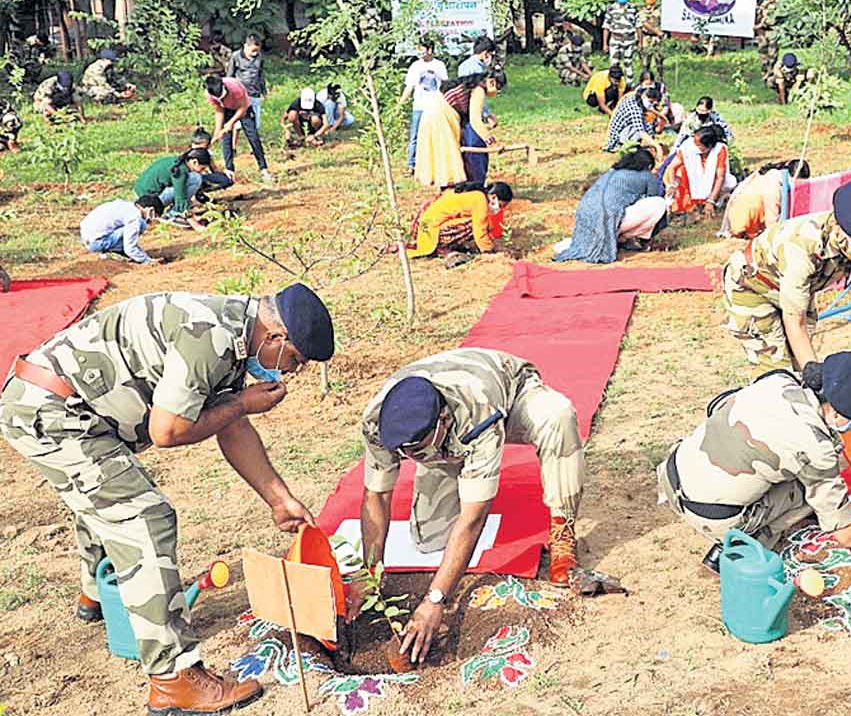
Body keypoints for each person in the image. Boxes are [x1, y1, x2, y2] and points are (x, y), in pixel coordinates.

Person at [0, 284, 334, 712]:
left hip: (64, 405)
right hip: (52, 412)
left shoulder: (234, 330)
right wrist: (241, 405)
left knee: (107, 497)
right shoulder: (211, 337)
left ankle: (98, 595)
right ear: (275, 338)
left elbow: (230, 426)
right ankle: (174, 678)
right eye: (294, 362)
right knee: (144, 517)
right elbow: (168, 431)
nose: (289, 374)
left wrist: (278, 498)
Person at [354, 349, 584, 663]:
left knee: (557, 416)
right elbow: (377, 496)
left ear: (443, 422)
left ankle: (562, 528)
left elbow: (474, 518)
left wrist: (435, 601)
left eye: (416, 450)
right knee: (431, 541)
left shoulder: (480, 414)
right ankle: (454, 463)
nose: (407, 457)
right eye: (403, 451)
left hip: (509, 393)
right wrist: (370, 574)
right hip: (444, 438)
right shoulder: (379, 422)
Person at [658, 355, 851, 573]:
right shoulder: (817, 447)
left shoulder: (779, 380)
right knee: (809, 493)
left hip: (673, 474)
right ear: (835, 412)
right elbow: (848, 536)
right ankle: (743, 547)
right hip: (709, 515)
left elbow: (717, 405)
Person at [721, 176, 851, 396]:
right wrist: (817, 380)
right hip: (752, 287)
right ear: (838, 224)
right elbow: (794, 321)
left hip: (796, 292)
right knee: (778, 374)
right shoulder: (802, 246)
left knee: (801, 371)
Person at [554, 147, 669, 263]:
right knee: (659, 203)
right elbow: (654, 197)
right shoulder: (647, 176)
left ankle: (617, 237)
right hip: (607, 217)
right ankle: (632, 239)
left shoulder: (611, 172)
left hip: (585, 216)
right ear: (649, 166)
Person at [407, 181, 514, 267]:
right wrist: (489, 251)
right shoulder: (480, 200)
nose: (499, 209)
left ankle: (446, 246)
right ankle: (442, 248)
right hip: (431, 228)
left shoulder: (474, 194)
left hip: (425, 225)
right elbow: (479, 230)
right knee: (473, 224)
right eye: (501, 205)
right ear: (494, 197)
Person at [205, 74, 273, 183]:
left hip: (244, 108)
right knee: (226, 139)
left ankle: (263, 169)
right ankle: (229, 170)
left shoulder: (234, 87)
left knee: (253, 137)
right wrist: (218, 131)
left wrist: (231, 123)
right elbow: (219, 111)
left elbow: (243, 107)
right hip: (227, 110)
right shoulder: (210, 94)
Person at [721, 158, 810, 240]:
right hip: (741, 223)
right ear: (793, 178)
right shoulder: (774, 183)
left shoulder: (775, 176)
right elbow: (772, 220)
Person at [444, 70, 506, 184]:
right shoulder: (479, 90)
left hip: (447, 117)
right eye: (498, 89)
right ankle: (476, 182)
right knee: (475, 147)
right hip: (443, 118)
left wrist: (487, 123)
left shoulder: (474, 85)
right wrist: (492, 143)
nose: (496, 93)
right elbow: (475, 122)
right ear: (492, 82)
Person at [133, 147, 214, 230]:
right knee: (196, 178)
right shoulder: (180, 171)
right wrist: (195, 224)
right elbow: (180, 197)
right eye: (202, 168)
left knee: (193, 178)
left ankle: (176, 211)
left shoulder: (179, 162)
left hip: (143, 192)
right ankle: (174, 214)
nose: (202, 171)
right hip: (148, 198)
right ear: (195, 162)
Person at [401, 37, 449, 170]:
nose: (420, 53)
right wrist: (400, 104)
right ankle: (412, 164)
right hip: (419, 107)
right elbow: (409, 87)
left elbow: (445, 85)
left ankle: (437, 162)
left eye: (423, 50)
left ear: (430, 50)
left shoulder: (439, 65)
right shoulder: (415, 66)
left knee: (437, 135)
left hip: (435, 107)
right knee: (415, 136)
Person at [665, 125, 735, 216]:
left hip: (714, 185)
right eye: (694, 143)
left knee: (730, 182)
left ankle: (716, 200)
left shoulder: (719, 150)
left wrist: (711, 200)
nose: (694, 146)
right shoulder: (688, 146)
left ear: (709, 146)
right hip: (690, 185)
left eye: (698, 145)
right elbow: (672, 167)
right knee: (679, 172)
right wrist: (672, 185)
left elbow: (720, 177)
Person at [80, 194, 164, 264]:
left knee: (129, 231)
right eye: (154, 216)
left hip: (86, 236)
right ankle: (113, 253)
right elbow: (130, 248)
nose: (152, 220)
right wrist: (147, 261)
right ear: (150, 210)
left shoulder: (128, 206)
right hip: (95, 242)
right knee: (141, 225)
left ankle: (118, 251)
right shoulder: (135, 217)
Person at [226, 34, 268, 131]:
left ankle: (254, 143)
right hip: (240, 94)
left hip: (255, 93)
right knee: (237, 125)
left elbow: (261, 75)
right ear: (246, 46)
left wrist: (264, 91)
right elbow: (229, 76)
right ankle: (233, 145)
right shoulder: (236, 56)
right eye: (253, 50)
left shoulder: (259, 57)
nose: (255, 53)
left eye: (257, 50)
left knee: (255, 124)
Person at [603, 86, 661, 153]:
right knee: (641, 128)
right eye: (650, 102)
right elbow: (641, 132)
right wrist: (657, 146)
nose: (651, 105)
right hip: (617, 138)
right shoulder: (635, 109)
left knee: (648, 121)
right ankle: (624, 146)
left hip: (624, 130)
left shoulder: (635, 97)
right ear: (644, 96)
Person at [602, 0, 638, 80]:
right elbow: (606, 26)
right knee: (614, 63)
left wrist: (640, 42)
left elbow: (638, 25)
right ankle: (614, 84)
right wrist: (605, 44)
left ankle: (629, 85)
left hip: (629, 39)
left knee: (628, 63)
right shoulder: (611, 9)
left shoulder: (633, 8)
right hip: (616, 39)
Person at [754, 0, 781, 86]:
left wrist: (761, 23)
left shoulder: (779, 2)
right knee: (763, 54)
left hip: (772, 31)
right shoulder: (763, 2)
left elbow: (771, 18)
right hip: (762, 32)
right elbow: (758, 14)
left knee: (772, 55)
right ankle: (764, 75)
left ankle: (771, 76)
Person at [638, 0, 666, 81]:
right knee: (646, 62)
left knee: (659, 60)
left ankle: (660, 80)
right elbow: (644, 23)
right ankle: (646, 79)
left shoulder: (660, 10)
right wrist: (657, 31)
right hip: (647, 37)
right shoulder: (642, 11)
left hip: (658, 38)